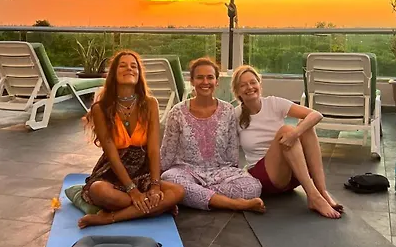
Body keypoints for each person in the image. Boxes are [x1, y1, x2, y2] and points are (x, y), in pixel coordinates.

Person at [78, 50, 185, 229]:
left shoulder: (150, 103)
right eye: (123, 65)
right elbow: (111, 154)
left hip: (142, 171)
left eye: (133, 66)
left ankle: (110, 218)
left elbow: (153, 149)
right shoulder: (100, 108)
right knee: (100, 191)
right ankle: (151, 208)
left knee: (177, 192)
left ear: (139, 74)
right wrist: (132, 191)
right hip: (113, 171)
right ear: (114, 73)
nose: (129, 69)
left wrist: (155, 186)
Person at [231, 65, 343, 219]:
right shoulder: (235, 115)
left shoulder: (274, 103)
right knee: (286, 130)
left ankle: (321, 191)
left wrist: (296, 133)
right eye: (243, 85)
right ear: (237, 91)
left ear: (259, 84)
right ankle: (314, 197)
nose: (249, 87)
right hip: (266, 177)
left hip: (292, 174)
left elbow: (316, 115)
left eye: (252, 82)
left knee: (306, 127)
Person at [160, 58, 265, 213]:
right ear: (192, 81)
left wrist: (230, 175)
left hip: (220, 171)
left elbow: (232, 154)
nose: (205, 82)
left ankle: (194, 196)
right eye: (200, 77)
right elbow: (167, 152)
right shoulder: (177, 112)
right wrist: (156, 179)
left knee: (252, 187)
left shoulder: (228, 110)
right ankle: (234, 204)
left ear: (217, 81)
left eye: (210, 77)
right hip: (186, 171)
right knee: (170, 179)